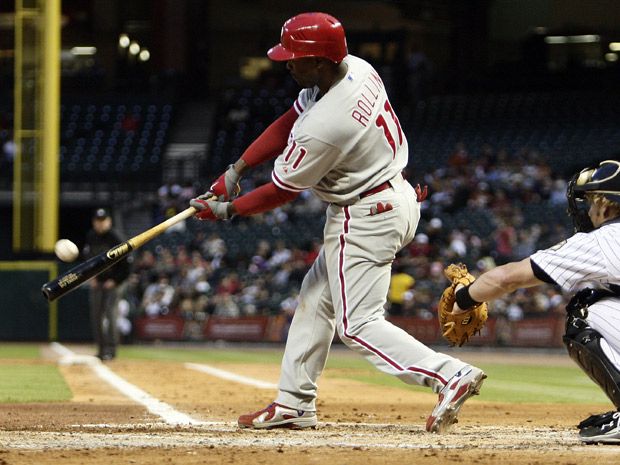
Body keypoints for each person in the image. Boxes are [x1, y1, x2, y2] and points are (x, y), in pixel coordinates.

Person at [190, 12, 485, 433]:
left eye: (295, 57)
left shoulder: (327, 125)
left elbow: (281, 191)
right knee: (316, 298)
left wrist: (225, 211)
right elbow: (289, 119)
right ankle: (294, 402)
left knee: (358, 324)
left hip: (365, 215)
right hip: (391, 196)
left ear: (321, 62)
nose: (286, 63)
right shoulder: (356, 69)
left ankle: (447, 374)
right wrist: (235, 170)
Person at [449, 159, 620, 444]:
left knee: (585, 310)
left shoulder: (604, 240)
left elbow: (509, 278)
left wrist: (463, 298)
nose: (588, 209)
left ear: (605, 205)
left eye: (590, 201)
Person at [82, 208, 131, 361]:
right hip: (98, 281)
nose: (100, 224)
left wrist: (115, 281)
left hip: (115, 282)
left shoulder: (116, 237)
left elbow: (128, 264)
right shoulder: (91, 236)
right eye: (98, 221)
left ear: (109, 221)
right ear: (94, 222)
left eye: (103, 221)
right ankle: (101, 349)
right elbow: (89, 260)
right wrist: (92, 277)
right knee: (96, 315)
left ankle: (111, 349)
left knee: (110, 314)